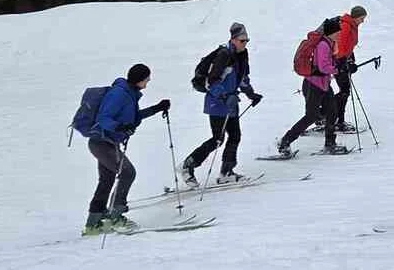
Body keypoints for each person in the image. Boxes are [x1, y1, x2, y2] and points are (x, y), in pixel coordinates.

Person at [84, 64, 170, 235]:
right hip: (102, 142)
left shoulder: (130, 94)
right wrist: (120, 127)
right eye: (147, 79)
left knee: (107, 180)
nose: (148, 82)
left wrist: (157, 108)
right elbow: (103, 118)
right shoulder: (119, 94)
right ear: (139, 79)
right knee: (128, 172)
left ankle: (94, 222)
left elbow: (134, 118)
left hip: (106, 143)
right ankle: (116, 215)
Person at [181, 23, 264, 186]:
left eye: (247, 40)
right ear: (233, 39)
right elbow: (212, 81)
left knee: (235, 136)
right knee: (217, 139)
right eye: (242, 40)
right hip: (217, 103)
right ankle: (188, 165)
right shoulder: (224, 55)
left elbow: (242, 78)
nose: (245, 43)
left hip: (231, 103)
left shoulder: (242, 55)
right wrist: (225, 97)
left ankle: (227, 172)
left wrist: (251, 94)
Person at [277, 17, 351, 156]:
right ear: (331, 32)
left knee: (332, 112)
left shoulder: (331, 43)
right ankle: (285, 141)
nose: (340, 33)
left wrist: (341, 64)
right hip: (313, 85)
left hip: (324, 84)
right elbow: (323, 67)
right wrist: (337, 69)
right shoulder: (323, 45)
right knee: (311, 116)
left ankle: (330, 143)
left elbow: (329, 63)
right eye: (338, 31)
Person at [331, 6, 367, 133]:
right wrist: (342, 63)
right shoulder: (346, 26)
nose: (363, 21)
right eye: (362, 18)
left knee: (345, 91)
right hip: (338, 63)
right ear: (356, 17)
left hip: (343, 61)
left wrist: (351, 59)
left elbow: (349, 46)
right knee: (345, 91)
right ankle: (331, 117)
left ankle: (333, 118)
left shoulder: (353, 26)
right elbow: (340, 46)